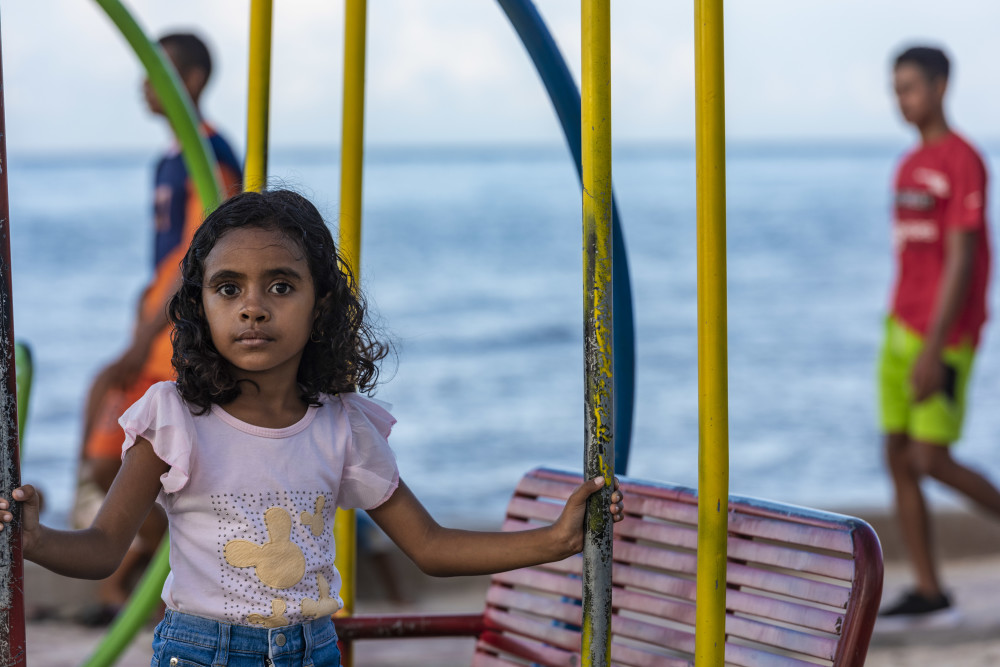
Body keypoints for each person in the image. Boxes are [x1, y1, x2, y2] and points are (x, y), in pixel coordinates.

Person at [3, 189, 625, 666]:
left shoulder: (343, 427)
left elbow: (430, 547)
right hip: (200, 651)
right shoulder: (173, 418)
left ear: (320, 303)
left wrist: (554, 540)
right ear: (201, 307)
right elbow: (102, 548)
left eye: (280, 285)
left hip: (313, 650)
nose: (253, 305)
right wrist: (37, 539)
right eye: (229, 288)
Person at [71, 32, 243, 625]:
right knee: (104, 444)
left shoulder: (212, 155)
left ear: (190, 80)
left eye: (157, 71)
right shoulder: (171, 158)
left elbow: (201, 257)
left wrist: (146, 335)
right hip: (154, 327)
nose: (145, 83)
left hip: (175, 335)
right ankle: (130, 566)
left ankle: (131, 574)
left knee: (126, 453)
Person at [879, 45, 1000, 620]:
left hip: (944, 335)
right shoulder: (905, 166)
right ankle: (928, 588)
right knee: (898, 456)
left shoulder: (963, 160)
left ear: (941, 85)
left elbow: (961, 256)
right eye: (896, 89)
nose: (903, 99)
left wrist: (933, 347)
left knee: (930, 458)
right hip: (899, 328)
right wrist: (903, 334)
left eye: (911, 87)